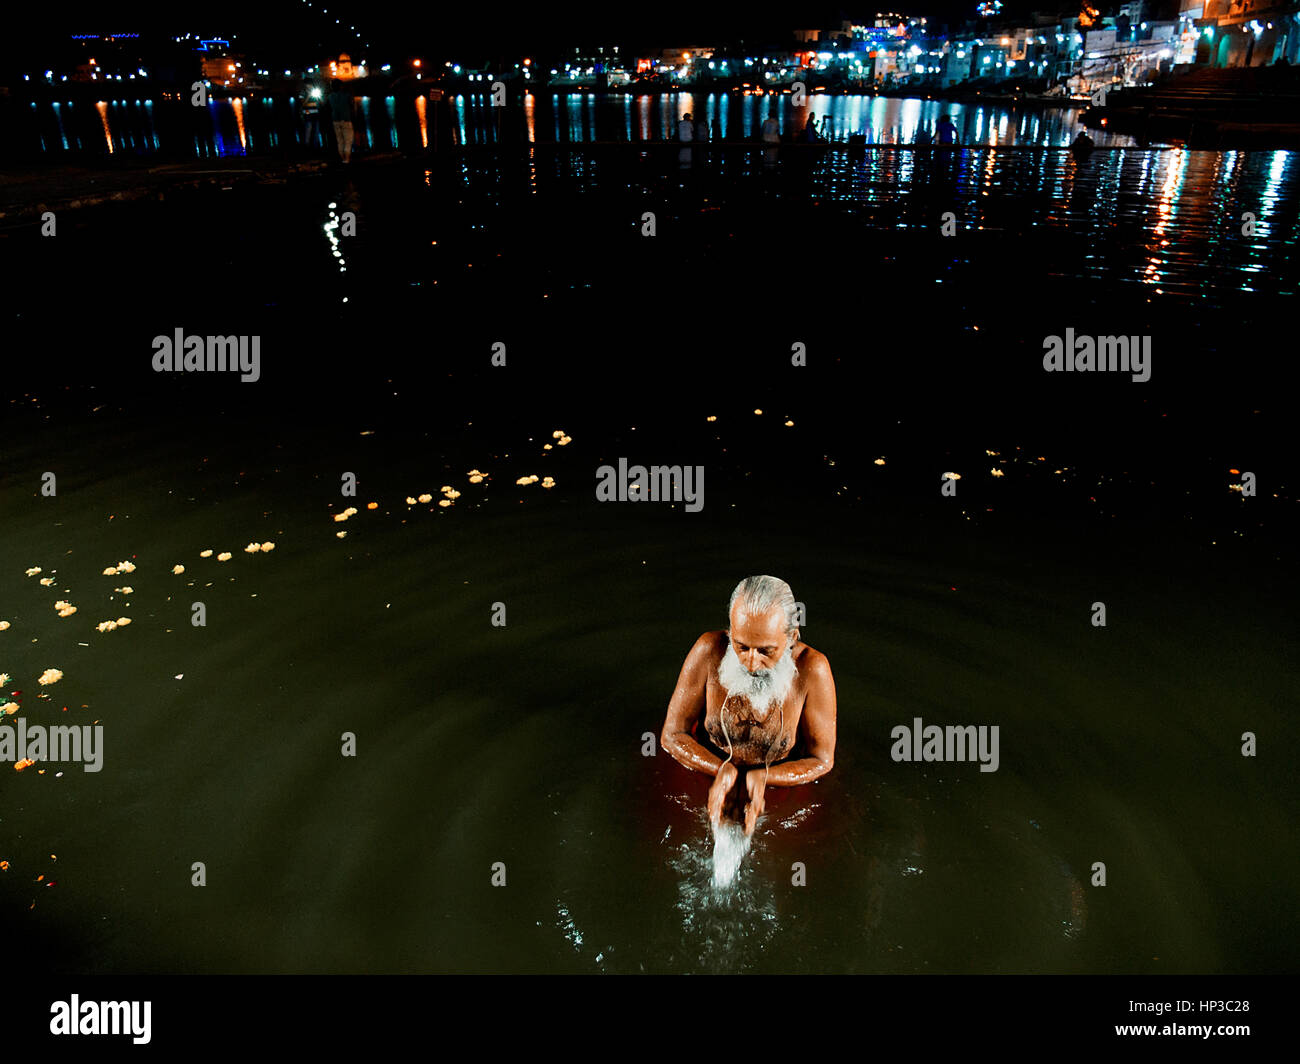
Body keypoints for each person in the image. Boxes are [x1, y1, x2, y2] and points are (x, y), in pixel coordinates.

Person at [660, 575, 837, 837]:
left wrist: (764, 777)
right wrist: (720, 770)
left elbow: (821, 760)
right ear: (731, 631)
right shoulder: (708, 650)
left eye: (766, 651)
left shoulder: (813, 670)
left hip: (777, 791)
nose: (751, 664)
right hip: (707, 775)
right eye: (741, 647)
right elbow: (672, 735)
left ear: (791, 637)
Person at [326, 79, 354, 164]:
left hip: (335, 120)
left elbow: (328, 107)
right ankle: (347, 159)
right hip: (346, 119)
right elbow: (352, 106)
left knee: (340, 141)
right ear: (341, 86)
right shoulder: (347, 95)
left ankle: (342, 158)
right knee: (348, 140)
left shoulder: (330, 96)